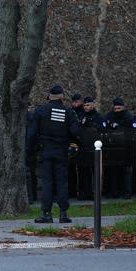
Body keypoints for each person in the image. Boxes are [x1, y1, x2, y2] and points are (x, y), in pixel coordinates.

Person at [27, 85, 81, 224]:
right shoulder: (68, 112)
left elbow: (32, 134)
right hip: (61, 151)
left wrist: (28, 151)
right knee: (62, 182)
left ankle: (46, 213)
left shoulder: (41, 111)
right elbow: (76, 132)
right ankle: (63, 213)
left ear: (49, 96)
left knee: (47, 183)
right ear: (62, 96)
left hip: (45, 151)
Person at [103, 98, 134, 198]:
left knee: (126, 171)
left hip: (125, 147)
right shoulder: (110, 115)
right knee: (113, 171)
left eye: (119, 108)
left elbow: (130, 129)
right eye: (115, 108)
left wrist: (118, 126)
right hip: (113, 147)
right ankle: (113, 192)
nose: (117, 110)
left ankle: (126, 192)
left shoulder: (128, 116)